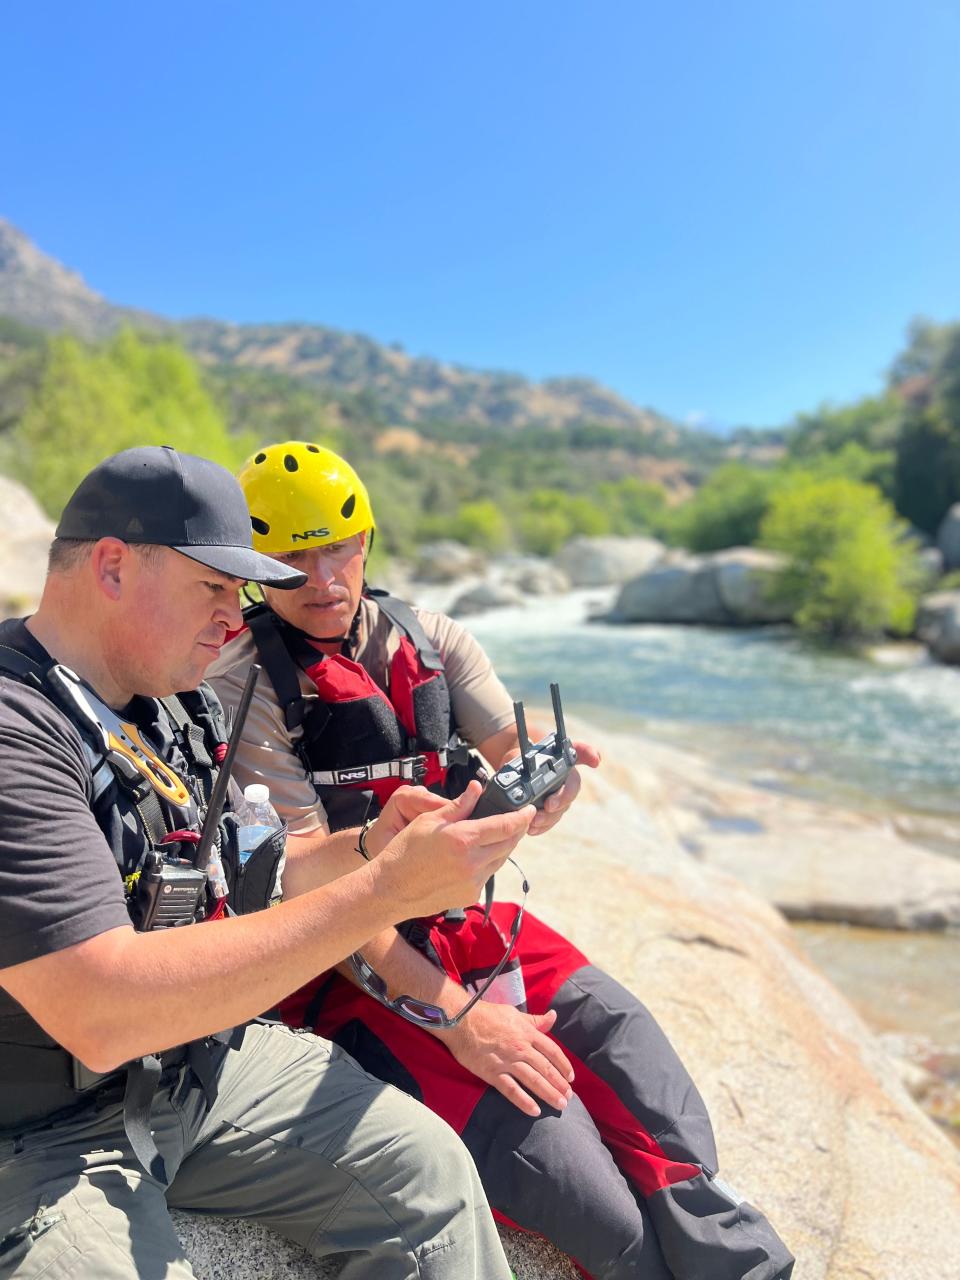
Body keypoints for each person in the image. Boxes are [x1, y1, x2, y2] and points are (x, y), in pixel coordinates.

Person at [208, 440, 796, 1280]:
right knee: (575, 1182)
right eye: (294, 561)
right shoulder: (241, 683)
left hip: (466, 920)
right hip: (346, 963)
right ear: (258, 566)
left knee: (631, 1053)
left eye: (338, 547)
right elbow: (303, 879)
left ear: (366, 540)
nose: (326, 577)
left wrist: (546, 782)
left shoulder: (432, 636)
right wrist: (456, 1017)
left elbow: (504, 737)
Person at [0, 445, 530, 1280]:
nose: (234, 616)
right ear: (110, 567)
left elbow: (265, 867)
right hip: (34, 1132)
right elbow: (98, 1009)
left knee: (428, 1176)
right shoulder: (17, 736)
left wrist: (369, 848)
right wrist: (384, 894)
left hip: (196, 1069)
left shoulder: (181, 701)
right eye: (214, 587)